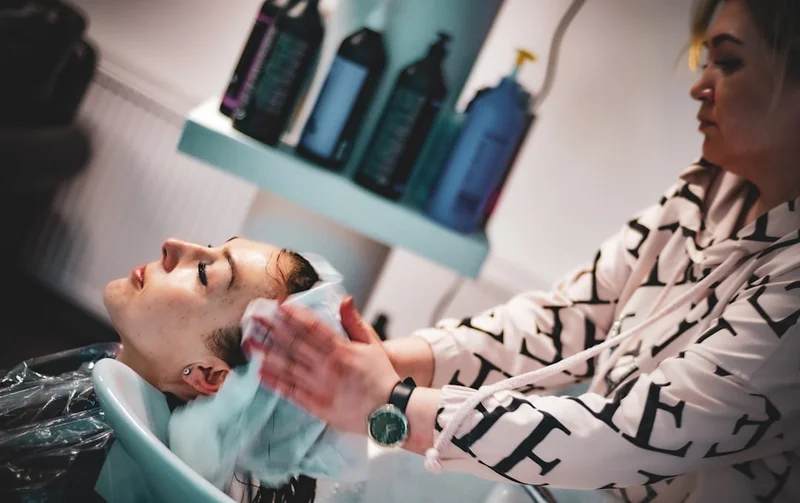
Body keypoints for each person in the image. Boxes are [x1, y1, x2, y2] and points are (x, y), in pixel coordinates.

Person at [249, 1, 800, 502]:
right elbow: (562, 320)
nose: (699, 86)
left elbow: (637, 434)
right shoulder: (705, 191)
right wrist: (379, 363)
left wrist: (386, 401)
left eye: (727, 63)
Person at [103, 236, 321, 503]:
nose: (173, 244)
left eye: (203, 274)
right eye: (209, 247)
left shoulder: (100, 473)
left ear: (208, 375)